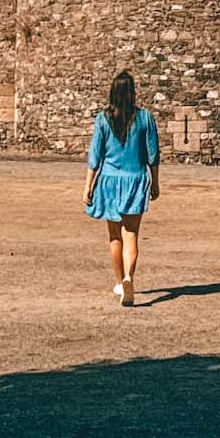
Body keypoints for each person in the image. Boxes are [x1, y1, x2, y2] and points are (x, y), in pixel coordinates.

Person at [82, 70, 161, 306]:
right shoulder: (145, 118)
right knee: (132, 234)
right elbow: (153, 155)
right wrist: (155, 182)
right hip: (136, 179)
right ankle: (129, 276)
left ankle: (119, 281)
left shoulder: (103, 119)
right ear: (133, 92)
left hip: (109, 180)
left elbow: (95, 156)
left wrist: (88, 186)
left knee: (114, 235)